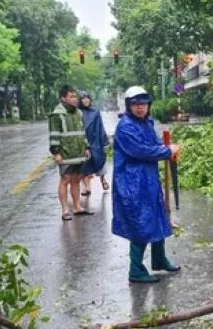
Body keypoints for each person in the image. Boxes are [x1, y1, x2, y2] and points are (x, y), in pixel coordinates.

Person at [112, 86, 182, 284]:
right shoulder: (126, 127)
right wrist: (166, 151)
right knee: (140, 223)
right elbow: (142, 151)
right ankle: (136, 270)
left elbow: (154, 144)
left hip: (148, 178)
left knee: (159, 216)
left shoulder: (146, 123)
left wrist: (165, 146)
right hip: (132, 183)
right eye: (136, 104)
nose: (140, 108)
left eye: (143, 104)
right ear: (129, 106)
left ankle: (159, 259)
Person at [49, 85, 91, 220]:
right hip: (65, 153)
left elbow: (82, 132)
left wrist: (86, 147)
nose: (74, 99)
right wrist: (56, 152)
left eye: (75, 96)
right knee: (65, 180)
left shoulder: (78, 113)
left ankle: (77, 206)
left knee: (76, 180)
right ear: (63, 98)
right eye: (71, 96)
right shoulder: (57, 114)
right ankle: (65, 210)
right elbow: (54, 135)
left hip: (78, 152)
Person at [78, 91, 110, 196]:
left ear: (90, 100)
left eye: (87, 98)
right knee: (84, 164)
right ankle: (86, 187)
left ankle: (103, 179)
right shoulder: (77, 112)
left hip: (95, 140)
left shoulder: (95, 111)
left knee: (99, 159)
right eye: (83, 98)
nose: (86, 100)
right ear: (80, 100)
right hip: (83, 140)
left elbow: (100, 126)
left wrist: (105, 141)